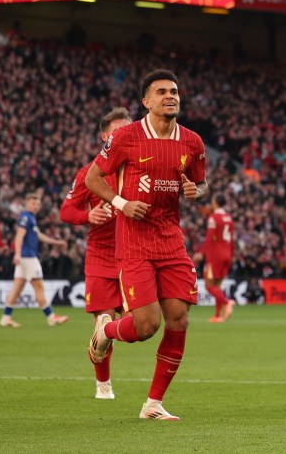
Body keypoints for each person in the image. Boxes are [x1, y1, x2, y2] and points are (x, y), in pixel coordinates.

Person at [84, 69, 208, 421]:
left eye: (174, 91)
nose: (171, 96)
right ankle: (106, 331)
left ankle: (153, 403)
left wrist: (195, 191)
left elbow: (201, 185)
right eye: (162, 92)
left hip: (171, 241)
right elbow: (94, 177)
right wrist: (122, 204)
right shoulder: (125, 137)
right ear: (146, 101)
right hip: (135, 243)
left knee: (179, 320)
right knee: (146, 326)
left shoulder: (193, 142)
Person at [59, 107, 133, 400]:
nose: (124, 136)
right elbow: (66, 211)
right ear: (105, 137)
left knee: (139, 322)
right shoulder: (89, 173)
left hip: (132, 255)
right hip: (101, 258)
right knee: (102, 321)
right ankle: (103, 383)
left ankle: (105, 330)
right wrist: (88, 216)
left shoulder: (139, 167)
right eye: (118, 131)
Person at [0, 192, 71, 327]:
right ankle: (51, 317)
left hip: (24, 258)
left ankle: (6, 317)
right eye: (33, 203)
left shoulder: (31, 218)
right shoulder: (26, 218)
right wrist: (17, 254)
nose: (36, 206)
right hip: (28, 258)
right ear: (27, 203)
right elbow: (19, 236)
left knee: (17, 288)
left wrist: (57, 243)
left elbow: (39, 236)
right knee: (39, 287)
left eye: (38, 204)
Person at [201, 193, 236, 323]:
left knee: (209, 286)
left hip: (215, 255)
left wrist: (201, 252)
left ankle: (227, 302)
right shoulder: (229, 218)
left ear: (215, 203)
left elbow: (209, 238)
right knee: (218, 286)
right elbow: (232, 239)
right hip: (227, 254)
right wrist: (231, 255)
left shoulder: (214, 218)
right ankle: (217, 315)